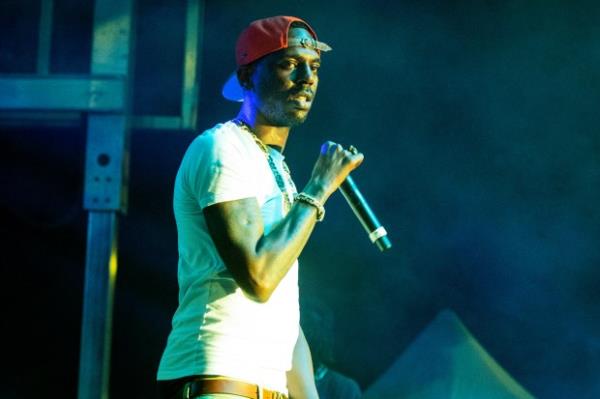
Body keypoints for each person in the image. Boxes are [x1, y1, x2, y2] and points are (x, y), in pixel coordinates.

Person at [156, 15, 363, 399]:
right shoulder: (222, 148)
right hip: (223, 380)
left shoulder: (276, 168)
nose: (307, 78)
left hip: (269, 387)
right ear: (248, 76)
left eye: (314, 67)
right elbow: (259, 277)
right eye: (289, 64)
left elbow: (284, 313)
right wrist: (318, 188)